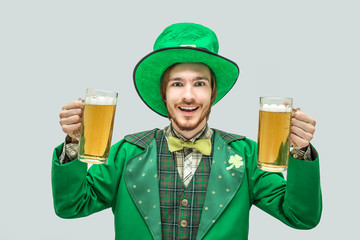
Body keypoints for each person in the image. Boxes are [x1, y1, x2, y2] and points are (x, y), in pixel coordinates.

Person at [52, 23, 322, 240]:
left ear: (212, 93)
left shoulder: (248, 155)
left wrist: (299, 151)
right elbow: (71, 205)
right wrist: (74, 144)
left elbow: (301, 216)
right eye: (178, 84)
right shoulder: (126, 153)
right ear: (164, 93)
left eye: (200, 83)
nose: (189, 96)